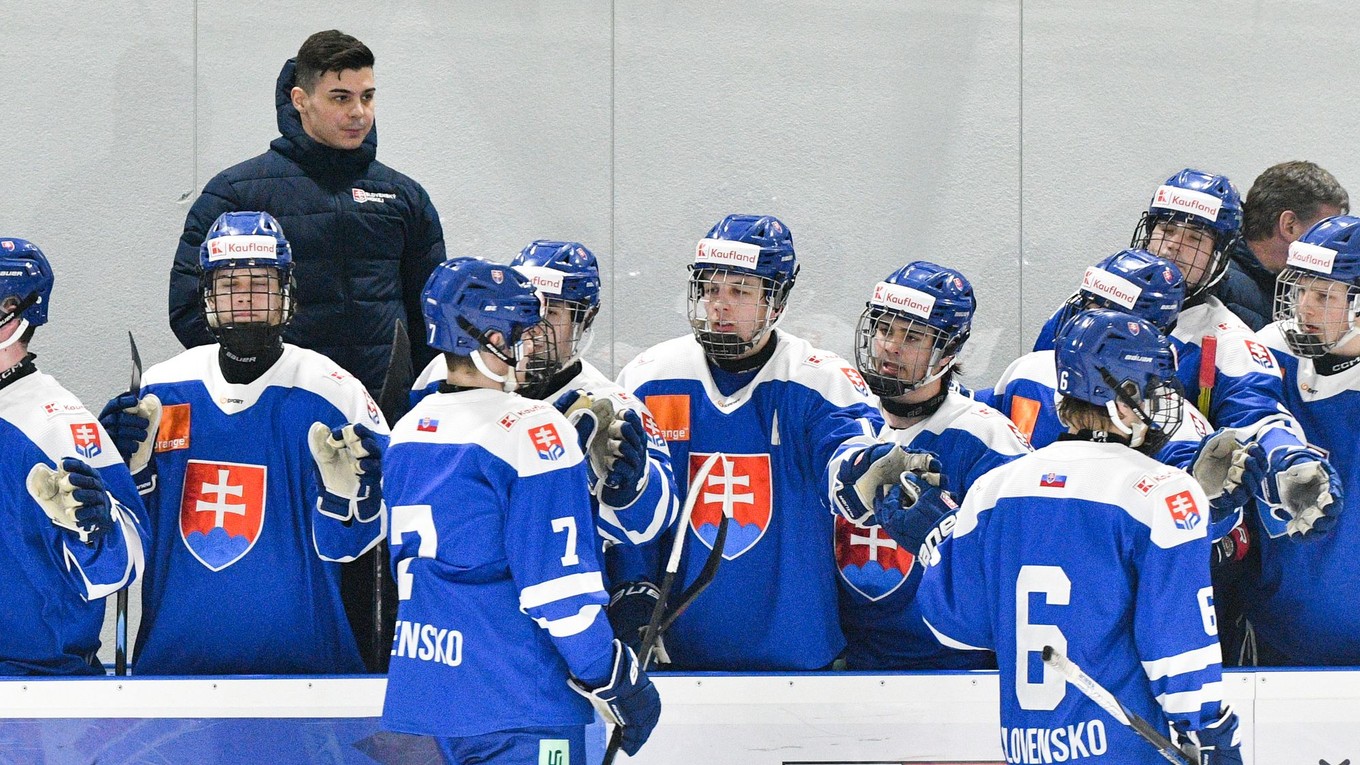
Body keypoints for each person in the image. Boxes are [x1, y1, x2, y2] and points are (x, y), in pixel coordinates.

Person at [913, 309, 1242, 764]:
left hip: (1026, 750)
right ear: (1122, 398)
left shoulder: (996, 489)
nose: (1163, 404)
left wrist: (936, 536)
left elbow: (955, 624)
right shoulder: (1161, 492)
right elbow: (1176, 640)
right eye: (1150, 389)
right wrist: (1209, 728)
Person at [381, 256, 660, 764]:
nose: (524, 345)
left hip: (424, 697)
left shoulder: (407, 430)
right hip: (518, 701)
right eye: (515, 332)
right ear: (486, 337)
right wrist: (614, 677)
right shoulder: (534, 427)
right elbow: (558, 593)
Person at [100, 212, 388, 675]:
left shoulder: (335, 391)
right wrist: (121, 470)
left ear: (286, 292)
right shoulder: (163, 388)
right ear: (208, 296)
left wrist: (351, 497)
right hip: (174, 665)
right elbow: (131, 538)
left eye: (261, 283)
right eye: (231, 285)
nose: (247, 299)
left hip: (308, 673)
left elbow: (356, 545)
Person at [614, 214, 882, 671]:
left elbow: (847, 457)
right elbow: (626, 499)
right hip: (676, 655)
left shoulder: (820, 380)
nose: (720, 305)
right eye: (711, 289)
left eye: (739, 291)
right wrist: (632, 592)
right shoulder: (650, 377)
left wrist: (865, 470)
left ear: (774, 301)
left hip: (801, 658)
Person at [1033, 168, 1341, 544]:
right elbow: (1038, 390)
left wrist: (1287, 457)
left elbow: (1258, 416)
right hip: (1065, 503)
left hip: (1166, 522)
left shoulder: (1227, 337)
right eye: (1166, 229)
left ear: (1220, 252)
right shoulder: (1085, 306)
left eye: (1195, 237)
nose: (1173, 246)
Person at [168, 29, 445, 398]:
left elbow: (433, 315)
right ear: (301, 99)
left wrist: (413, 400)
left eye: (368, 97)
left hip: (384, 412)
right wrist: (252, 386)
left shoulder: (402, 196)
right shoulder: (236, 194)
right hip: (274, 408)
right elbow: (191, 308)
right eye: (340, 98)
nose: (359, 113)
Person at [410, 241, 679, 551]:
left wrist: (631, 491)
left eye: (550, 311)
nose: (534, 326)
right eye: (525, 307)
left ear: (586, 318)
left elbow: (654, 524)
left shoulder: (612, 404)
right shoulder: (445, 373)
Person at [830, 261, 1031, 670]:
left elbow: (1020, 560)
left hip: (958, 671)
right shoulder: (848, 413)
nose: (890, 346)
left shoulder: (986, 438)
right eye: (885, 329)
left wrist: (945, 532)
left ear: (951, 350)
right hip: (854, 664)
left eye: (913, 336)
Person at [0, 238, 149, 675]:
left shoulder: (57, 422)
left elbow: (123, 568)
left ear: (19, 309)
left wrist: (96, 531)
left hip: (36, 687)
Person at [1248, 214, 1360, 665]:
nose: (1303, 308)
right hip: (1274, 624)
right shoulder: (1268, 351)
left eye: (1322, 295)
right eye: (1299, 291)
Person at [1218, 161, 1349, 330]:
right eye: (1325, 230)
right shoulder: (1218, 284)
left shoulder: (1288, 284)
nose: (1332, 245)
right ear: (1289, 225)